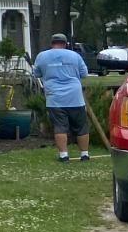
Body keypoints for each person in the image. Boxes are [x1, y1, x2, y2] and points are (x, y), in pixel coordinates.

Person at [31, 32, 90, 162]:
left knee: (60, 127)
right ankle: (84, 154)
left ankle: (64, 155)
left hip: (54, 97)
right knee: (81, 127)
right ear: (65, 44)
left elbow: (36, 73)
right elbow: (84, 73)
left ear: (52, 43)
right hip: (75, 96)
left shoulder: (42, 56)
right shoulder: (75, 55)